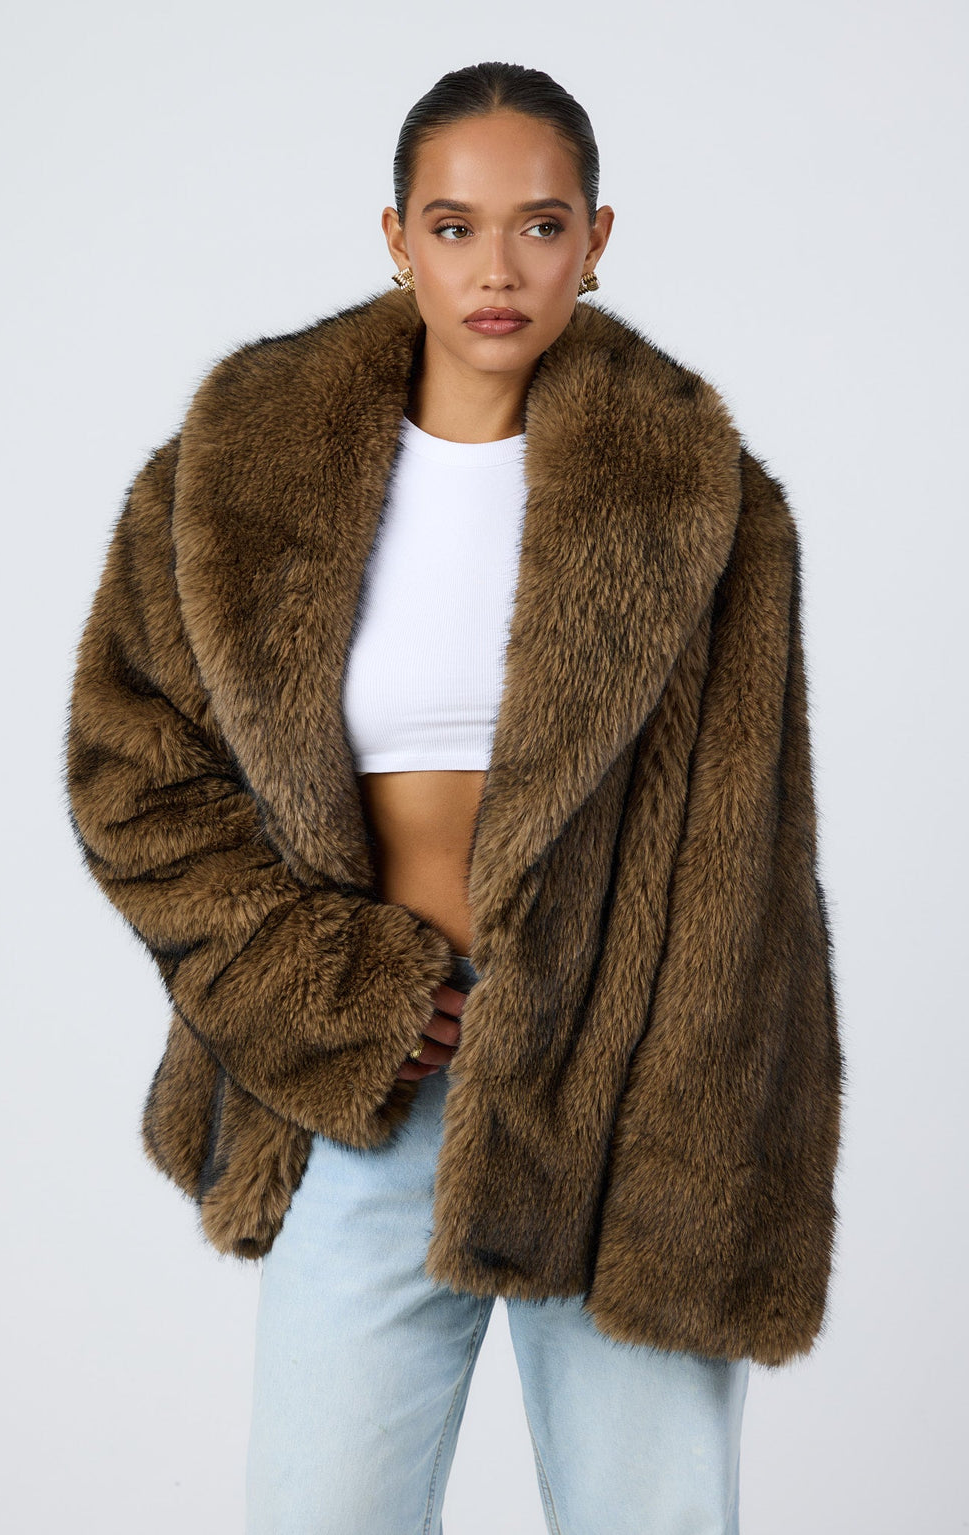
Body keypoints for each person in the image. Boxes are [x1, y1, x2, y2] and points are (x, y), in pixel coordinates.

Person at [64, 60, 844, 1535]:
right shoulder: (231, 472)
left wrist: (700, 1139)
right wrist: (318, 984)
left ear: (595, 240)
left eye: (541, 226)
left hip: (622, 1106)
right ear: (397, 237)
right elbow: (132, 771)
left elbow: (750, 861)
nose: (499, 269)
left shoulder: (708, 502)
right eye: (455, 225)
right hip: (364, 1086)